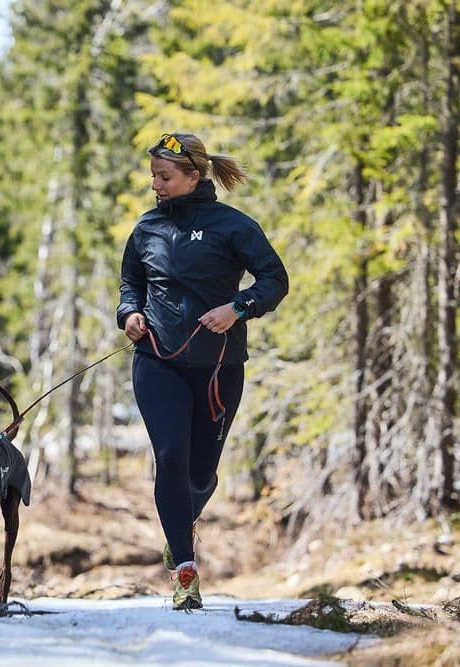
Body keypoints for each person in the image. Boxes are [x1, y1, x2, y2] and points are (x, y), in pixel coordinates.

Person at [117, 132, 289, 610]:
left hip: (218, 367)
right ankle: (185, 571)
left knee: (200, 475)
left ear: (194, 176)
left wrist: (238, 308)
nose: (155, 185)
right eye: (153, 176)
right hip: (157, 361)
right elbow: (131, 281)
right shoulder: (147, 228)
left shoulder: (232, 226)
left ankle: (178, 523)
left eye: (164, 176)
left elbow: (275, 279)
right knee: (170, 457)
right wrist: (129, 314)